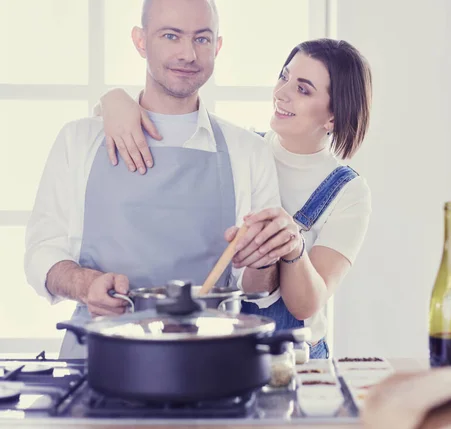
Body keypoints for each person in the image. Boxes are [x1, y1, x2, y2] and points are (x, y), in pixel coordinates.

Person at [24, 0, 290, 359]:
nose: (188, 54)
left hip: (210, 360)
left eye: (202, 39)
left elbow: (257, 288)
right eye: (170, 36)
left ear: (218, 46)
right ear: (140, 41)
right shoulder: (79, 139)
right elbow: (42, 252)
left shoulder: (248, 152)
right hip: (97, 358)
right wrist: (85, 285)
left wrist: (265, 255)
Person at [95, 36, 373, 359]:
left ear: (333, 117)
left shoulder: (348, 193)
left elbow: (305, 304)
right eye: (284, 76)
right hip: (228, 344)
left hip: (295, 358)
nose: (281, 93)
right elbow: (128, 117)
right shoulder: (240, 150)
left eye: (303, 89)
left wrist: (293, 246)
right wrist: (113, 100)